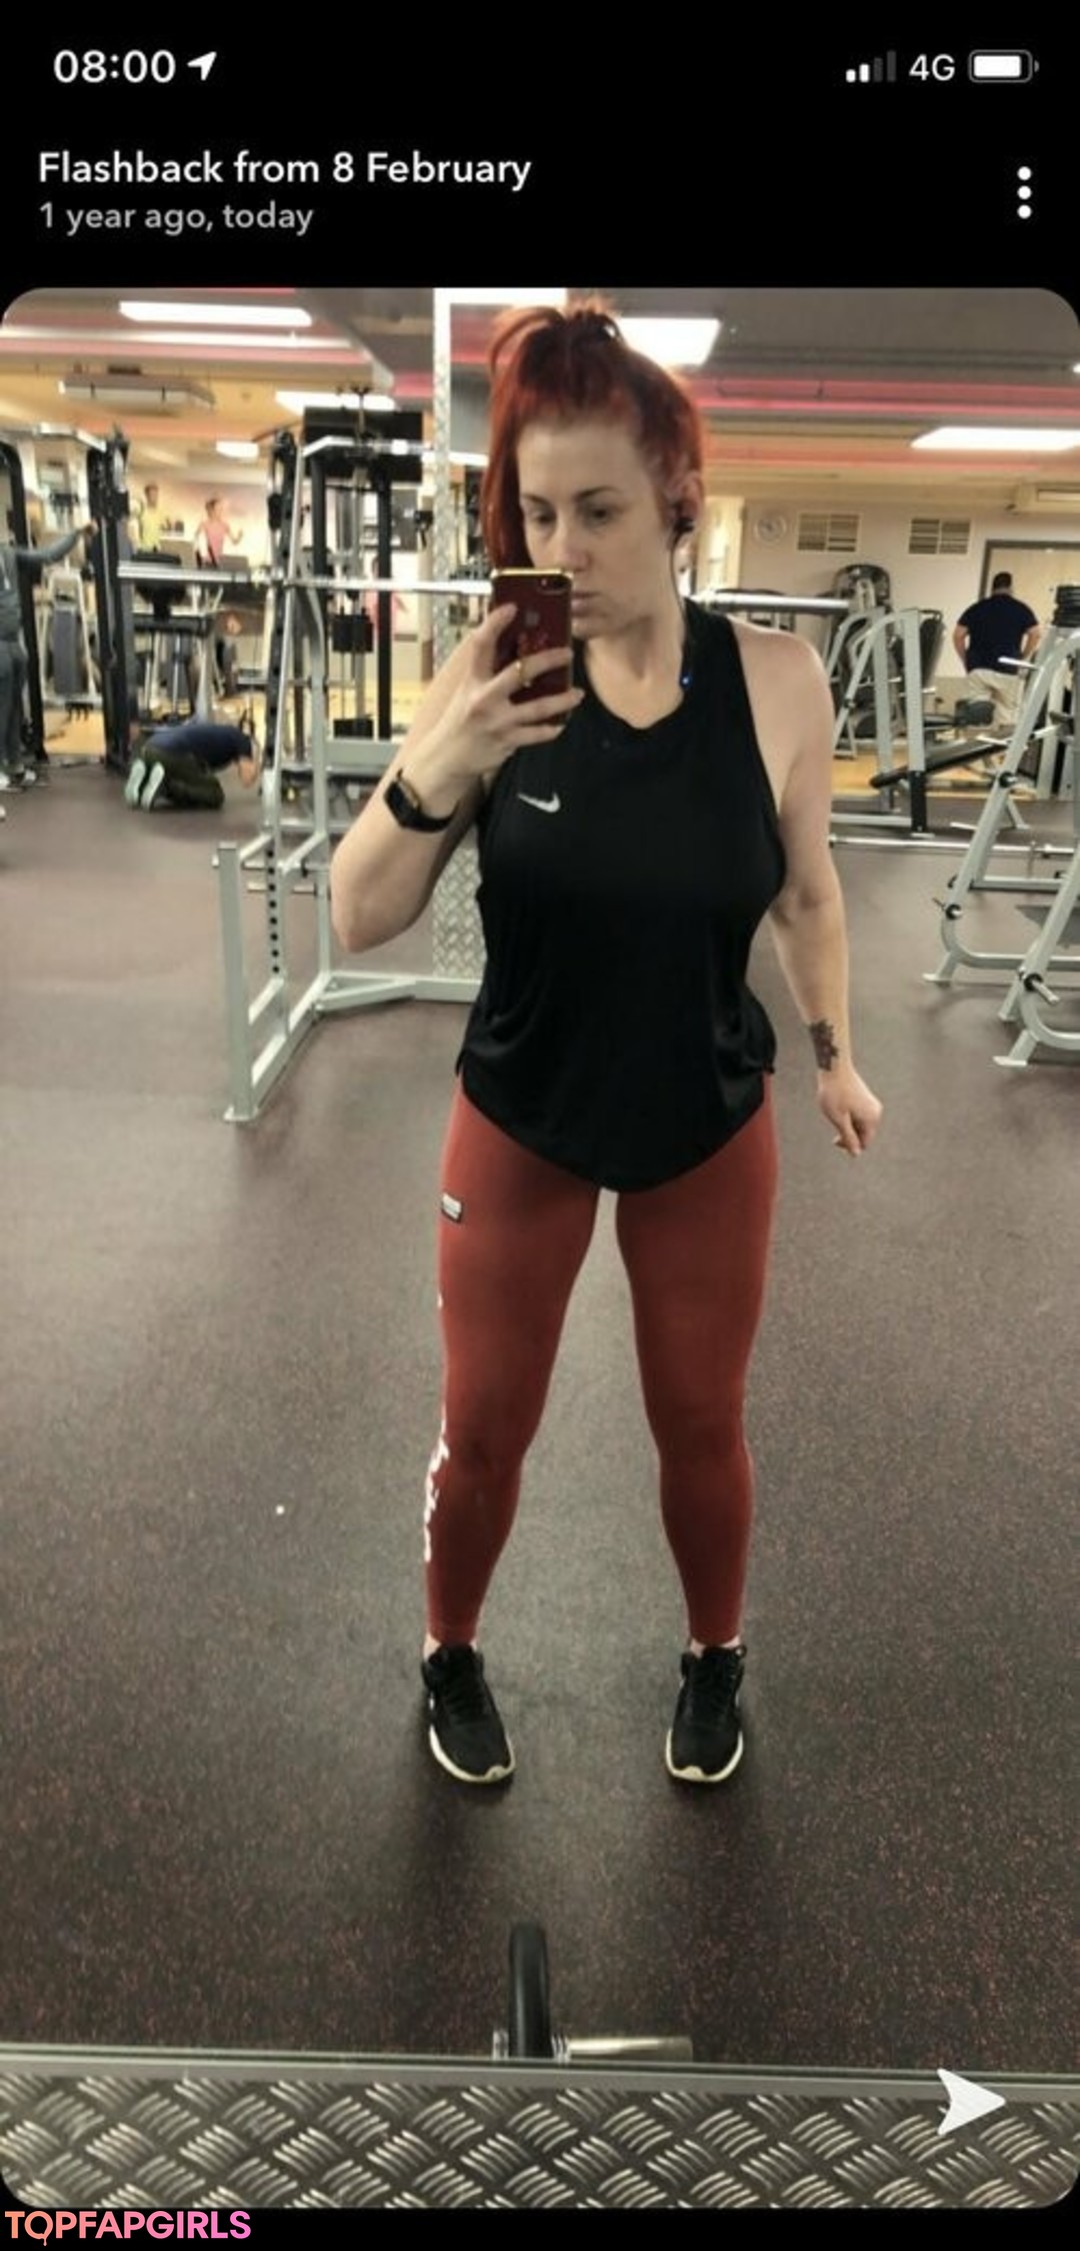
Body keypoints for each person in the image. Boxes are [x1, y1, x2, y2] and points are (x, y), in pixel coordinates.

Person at [329, 303, 883, 1789]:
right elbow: (359, 912)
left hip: (706, 1115)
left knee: (702, 1421)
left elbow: (809, 893)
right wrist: (446, 756)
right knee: (484, 1429)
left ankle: (715, 1656)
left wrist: (833, 1051)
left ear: (678, 502)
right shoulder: (491, 677)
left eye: (599, 510)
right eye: (536, 513)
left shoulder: (777, 682)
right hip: (523, 1114)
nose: (561, 547)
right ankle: (451, 1651)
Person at [0, 517, 95, 790]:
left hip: (12, 641)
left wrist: (76, 534)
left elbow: (47, 555)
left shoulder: (9, 553)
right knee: (2, 708)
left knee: (15, 709)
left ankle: (14, 765)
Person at [952, 571, 1041, 750]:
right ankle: (1004, 756)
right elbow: (1035, 634)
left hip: (979, 668)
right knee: (1007, 716)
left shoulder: (977, 608)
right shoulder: (1021, 608)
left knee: (976, 715)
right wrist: (1023, 656)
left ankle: (972, 755)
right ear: (1011, 587)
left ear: (992, 588)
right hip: (1008, 669)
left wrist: (965, 659)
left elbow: (958, 635)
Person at [123, 716, 259, 810]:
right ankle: (166, 787)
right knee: (215, 795)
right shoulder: (242, 741)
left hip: (149, 747)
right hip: (171, 753)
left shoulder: (223, 734)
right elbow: (246, 780)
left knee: (191, 775)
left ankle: (143, 782)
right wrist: (256, 763)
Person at [194, 497, 242, 569]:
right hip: (207, 561)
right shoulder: (205, 524)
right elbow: (195, 538)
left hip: (218, 562)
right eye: (218, 509)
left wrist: (240, 536)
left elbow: (234, 542)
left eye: (221, 509)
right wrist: (198, 554)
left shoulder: (224, 525)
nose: (220, 511)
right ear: (212, 510)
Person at [136, 483, 168, 549]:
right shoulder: (141, 511)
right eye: (152, 495)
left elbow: (165, 527)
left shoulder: (160, 512)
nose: (155, 498)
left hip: (156, 547)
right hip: (144, 548)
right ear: (147, 496)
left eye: (156, 495)